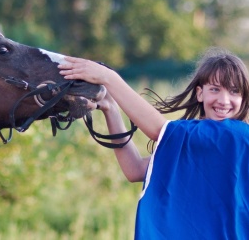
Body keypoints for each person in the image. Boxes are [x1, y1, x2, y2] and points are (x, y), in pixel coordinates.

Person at [58, 47, 249, 239]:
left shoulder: (238, 135)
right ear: (200, 94)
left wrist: (108, 77)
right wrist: (110, 109)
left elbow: (159, 130)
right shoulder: (196, 141)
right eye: (215, 89)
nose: (224, 100)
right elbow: (135, 170)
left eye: (234, 92)